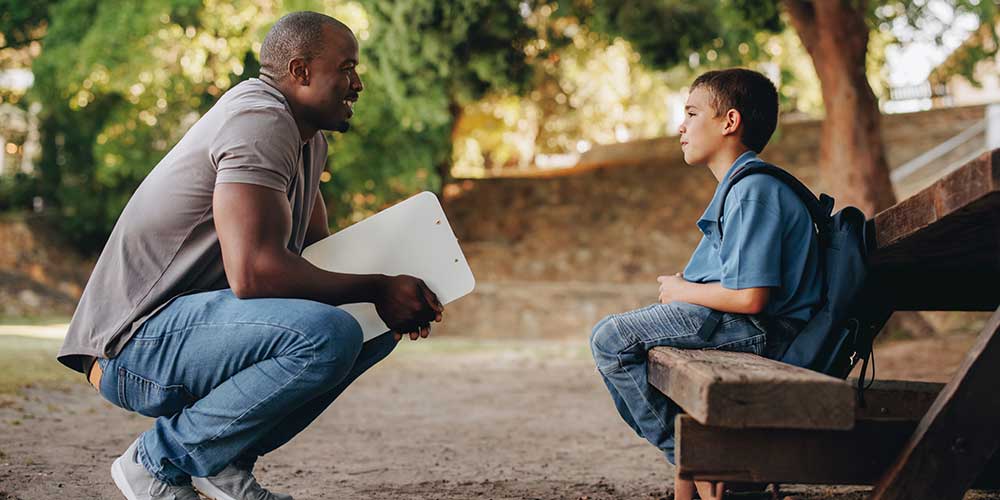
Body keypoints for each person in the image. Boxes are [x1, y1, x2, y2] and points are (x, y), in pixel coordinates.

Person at [57, 11, 443, 500]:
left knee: (370, 324)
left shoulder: (308, 140)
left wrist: (400, 289)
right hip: (132, 345)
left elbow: (317, 260)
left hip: (194, 334)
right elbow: (254, 273)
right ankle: (156, 462)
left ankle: (220, 463)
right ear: (300, 71)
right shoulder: (260, 119)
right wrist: (376, 285)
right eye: (346, 68)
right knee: (331, 331)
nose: (358, 83)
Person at [589, 68, 822, 500]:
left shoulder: (753, 191)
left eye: (692, 113)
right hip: (748, 326)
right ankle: (701, 470)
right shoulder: (740, 188)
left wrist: (681, 290)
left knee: (612, 340)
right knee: (642, 351)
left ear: (729, 122)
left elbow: (750, 297)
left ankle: (706, 465)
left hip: (767, 333)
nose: (682, 126)